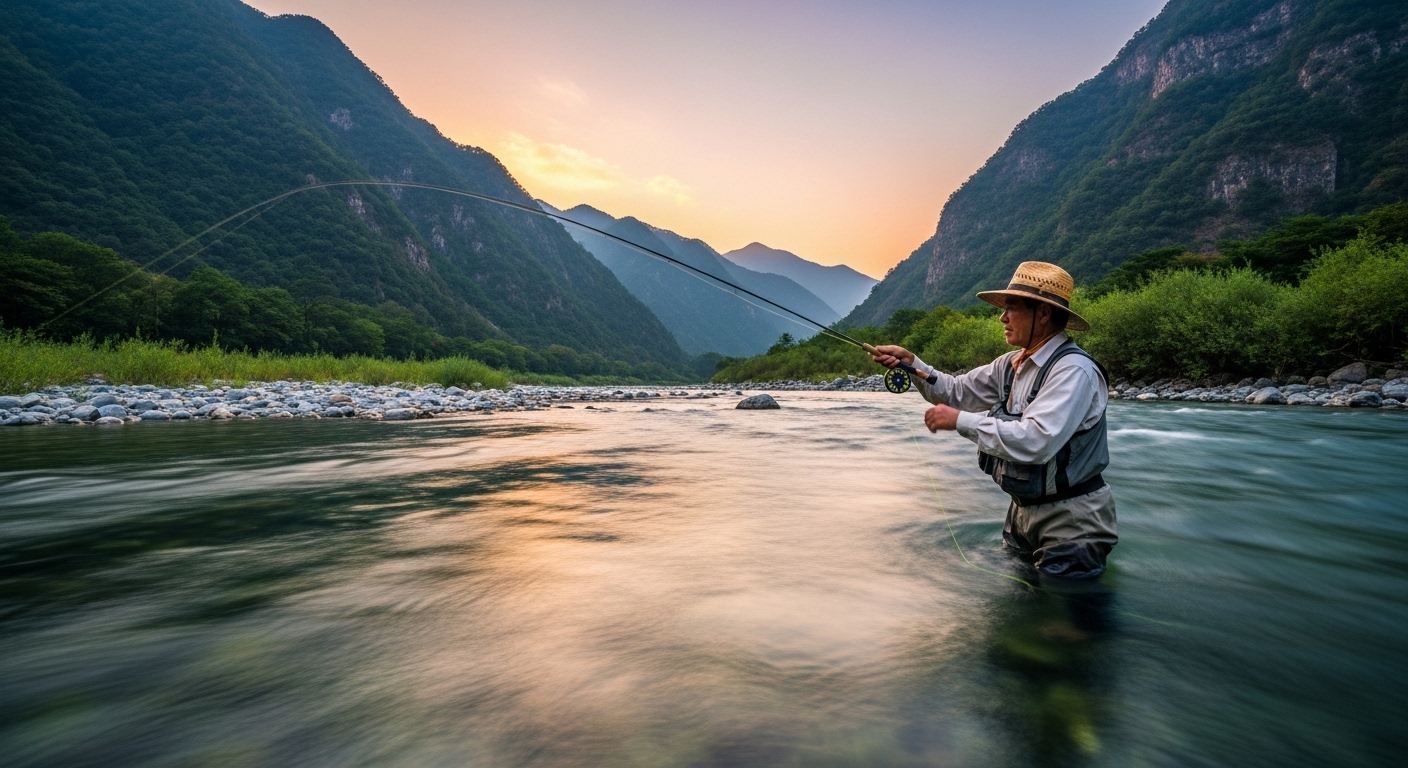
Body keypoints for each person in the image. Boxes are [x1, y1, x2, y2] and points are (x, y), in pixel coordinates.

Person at [870, 262, 1116, 580]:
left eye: (1011, 308)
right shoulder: (1009, 365)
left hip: (1073, 520)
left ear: (1042, 313)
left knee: (1066, 622)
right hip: (1022, 513)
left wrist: (961, 421)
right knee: (1022, 613)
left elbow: (1037, 441)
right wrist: (913, 364)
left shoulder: (1074, 370)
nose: (1002, 317)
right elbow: (955, 392)